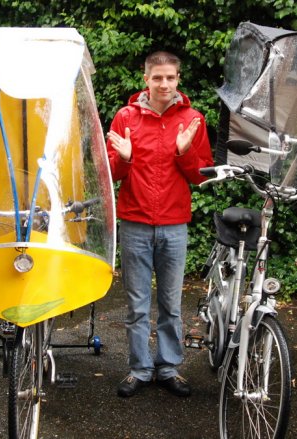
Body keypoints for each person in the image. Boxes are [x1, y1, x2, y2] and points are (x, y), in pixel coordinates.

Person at [106, 51, 214, 398]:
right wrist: (124, 158)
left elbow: (201, 176)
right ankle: (140, 369)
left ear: (178, 79)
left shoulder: (192, 119)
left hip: (174, 224)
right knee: (137, 305)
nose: (164, 84)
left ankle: (168, 367)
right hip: (135, 223)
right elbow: (110, 173)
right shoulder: (125, 117)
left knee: (171, 304)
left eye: (170, 77)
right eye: (157, 78)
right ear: (146, 80)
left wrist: (184, 151)